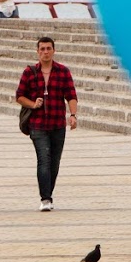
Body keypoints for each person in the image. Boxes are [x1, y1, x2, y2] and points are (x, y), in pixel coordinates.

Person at [15, 36, 78, 211]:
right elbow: (19, 96)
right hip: (38, 124)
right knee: (43, 160)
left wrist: (73, 115)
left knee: (54, 163)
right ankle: (45, 198)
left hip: (58, 124)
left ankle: (48, 192)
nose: (45, 52)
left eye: (48, 48)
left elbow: (71, 95)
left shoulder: (63, 71)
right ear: (37, 51)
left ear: (53, 50)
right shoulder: (29, 72)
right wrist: (32, 104)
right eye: (42, 49)